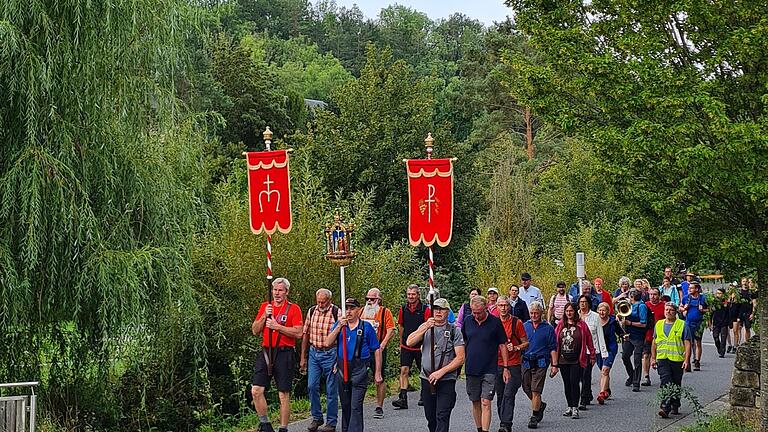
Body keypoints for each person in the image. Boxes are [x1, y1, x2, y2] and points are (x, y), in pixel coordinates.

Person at [251, 278, 304, 432]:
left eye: (280, 290)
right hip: (266, 351)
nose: (277, 293)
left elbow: (299, 332)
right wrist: (264, 316)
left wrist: (277, 327)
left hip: (284, 352)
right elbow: (255, 330)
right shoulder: (265, 307)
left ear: (286, 292)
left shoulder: (293, 309)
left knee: (283, 393)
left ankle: (283, 428)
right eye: (275, 290)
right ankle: (265, 424)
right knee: (256, 390)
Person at [407, 298, 465, 432]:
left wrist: (441, 372)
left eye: (442, 309)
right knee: (431, 417)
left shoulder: (454, 330)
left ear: (447, 311)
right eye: (436, 309)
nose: (438, 312)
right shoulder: (426, 327)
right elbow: (410, 342)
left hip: (446, 379)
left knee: (442, 415)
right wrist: (425, 327)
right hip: (426, 379)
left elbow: (460, 358)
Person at [325, 298, 382, 432]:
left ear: (358, 310)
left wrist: (377, 372)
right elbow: (327, 343)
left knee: (355, 405)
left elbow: (377, 349)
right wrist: (339, 326)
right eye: (347, 308)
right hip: (342, 368)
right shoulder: (340, 326)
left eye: (352, 308)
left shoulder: (366, 327)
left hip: (360, 368)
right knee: (345, 405)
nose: (349, 311)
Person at [461, 295, 510, 432]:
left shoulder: (495, 322)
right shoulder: (468, 321)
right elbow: (463, 342)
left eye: (479, 312)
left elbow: (502, 345)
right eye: (473, 312)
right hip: (471, 367)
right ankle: (479, 428)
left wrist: (506, 368)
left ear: (486, 308)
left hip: (489, 368)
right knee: (475, 401)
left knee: (486, 401)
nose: (476, 315)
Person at [301, 289, 340, 432]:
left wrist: (339, 359)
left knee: (331, 389)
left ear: (329, 300)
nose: (320, 304)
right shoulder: (312, 311)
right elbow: (305, 333)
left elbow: (341, 337)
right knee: (311, 386)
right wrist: (303, 356)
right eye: (318, 301)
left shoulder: (337, 312)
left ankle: (331, 422)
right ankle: (317, 417)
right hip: (314, 352)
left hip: (331, 353)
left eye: (323, 301)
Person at [552, 302, 595, 420]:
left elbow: (589, 340)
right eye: (567, 311)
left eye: (571, 311)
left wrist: (592, 355)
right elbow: (555, 342)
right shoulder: (561, 325)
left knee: (574, 381)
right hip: (563, 359)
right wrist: (553, 361)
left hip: (577, 359)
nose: (569, 313)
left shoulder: (582, 325)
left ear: (575, 312)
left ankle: (575, 407)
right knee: (567, 383)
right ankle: (569, 406)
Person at [495, 296, 529, 432]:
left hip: (513, 363)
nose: (503, 308)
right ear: (496, 307)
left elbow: (526, 343)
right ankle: (503, 420)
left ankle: (506, 424)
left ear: (510, 307)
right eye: (501, 305)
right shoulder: (493, 322)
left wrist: (516, 348)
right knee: (500, 395)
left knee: (509, 393)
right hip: (496, 363)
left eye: (506, 305)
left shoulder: (517, 323)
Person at [651, 303, 692, 418]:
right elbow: (654, 342)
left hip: (677, 359)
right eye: (666, 310)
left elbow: (687, 343)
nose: (668, 312)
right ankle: (665, 406)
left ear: (675, 312)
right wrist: (653, 358)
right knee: (666, 381)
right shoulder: (658, 324)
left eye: (671, 310)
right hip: (663, 358)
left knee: (676, 382)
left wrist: (686, 360)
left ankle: (675, 404)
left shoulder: (682, 325)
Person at [393, 284, 431, 409]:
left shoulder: (425, 309)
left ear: (418, 295)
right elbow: (401, 326)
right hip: (406, 345)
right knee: (404, 370)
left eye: (413, 294)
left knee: (424, 371)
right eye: (409, 294)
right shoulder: (403, 309)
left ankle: (425, 395)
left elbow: (428, 327)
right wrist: (401, 342)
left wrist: (425, 343)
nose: (410, 296)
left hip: (420, 346)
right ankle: (403, 397)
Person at [360, 288, 396, 418]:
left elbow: (391, 329)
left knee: (379, 377)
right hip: (363, 349)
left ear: (378, 300)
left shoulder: (385, 312)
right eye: (367, 299)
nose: (369, 301)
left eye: (372, 299)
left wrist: (382, 345)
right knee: (359, 377)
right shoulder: (361, 312)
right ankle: (357, 404)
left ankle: (379, 406)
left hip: (378, 349)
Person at [521, 301, 557, 429]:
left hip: (541, 361)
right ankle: (540, 405)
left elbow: (553, 348)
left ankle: (534, 416)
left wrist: (554, 365)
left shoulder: (548, 328)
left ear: (541, 313)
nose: (534, 315)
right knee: (526, 387)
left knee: (536, 389)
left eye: (536, 313)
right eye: (532, 313)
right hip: (526, 361)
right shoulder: (524, 326)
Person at [576, 295, 605, 409]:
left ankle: (583, 400)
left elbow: (599, 334)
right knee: (578, 376)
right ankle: (587, 393)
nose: (582, 304)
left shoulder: (595, 316)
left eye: (584, 302)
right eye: (581, 302)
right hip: (577, 350)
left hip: (589, 350)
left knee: (586, 375)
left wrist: (603, 352)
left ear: (588, 303)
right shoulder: (575, 315)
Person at [595, 302, 625, 404]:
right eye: (600, 310)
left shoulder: (612, 321)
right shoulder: (595, 321)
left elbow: (620, 332)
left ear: (608, 312)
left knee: (605, 370)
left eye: (604, 310)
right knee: (603, 371)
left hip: (610, 349)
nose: (602, 312)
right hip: (598, 349)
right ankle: (607, 390)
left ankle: (602, 394)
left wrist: (624, 336)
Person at [620, 289, 648, 392]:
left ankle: (636, 382)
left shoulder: (642, 306)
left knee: (637, 360)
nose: (629, 299)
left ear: (633, 297)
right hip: (628, 335)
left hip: (638, 336)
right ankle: (631, 375)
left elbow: (643, 323)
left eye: (630, 297)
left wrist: (630, 323)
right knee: (625, 356)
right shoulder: (630, 305)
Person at [679, 282, 709, 371]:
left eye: (691, 288)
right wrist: (684, 308)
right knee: (688, 343)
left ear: (696, 289)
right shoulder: (686, 298)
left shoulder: (703, 298)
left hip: (699, 323)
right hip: (688, 323)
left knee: (698, 342)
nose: (689, 289)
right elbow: (680, 307)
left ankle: (697, 361)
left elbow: (710, 309)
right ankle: (687, 362)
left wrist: (703, 310)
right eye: (689, 288)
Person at [641, 287, 666, 387]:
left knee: (661, 357)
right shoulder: (645, 305)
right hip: (648, 335)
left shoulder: (664, 306)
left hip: (660, 336)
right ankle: (646, 377)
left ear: (659, 296)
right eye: (651, 294)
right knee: (646, 355)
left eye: (655, 294)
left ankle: (663, 376)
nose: (652, 296)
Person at [732, 277, 757, 350]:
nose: (745, 283)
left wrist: (753, 313)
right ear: (741, 282)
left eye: (746, 281)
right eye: (743, 281)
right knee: (736, 329)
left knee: (747, 328)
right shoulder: (738, 292)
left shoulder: (751, 292)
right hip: (739, 312)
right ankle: (736, 345)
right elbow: (733, 302)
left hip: (748, 312)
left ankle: (747, 343)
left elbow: (754, 304)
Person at [709, 287, 731, 358]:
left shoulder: (727, 302)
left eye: (720, 293)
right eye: (717, 293)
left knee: (723, 338)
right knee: (716, 337)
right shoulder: (714, 302)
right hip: (716, 322)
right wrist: (709, 323)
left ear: (723, 294)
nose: (718, 295)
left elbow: (730, 313)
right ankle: (719, 348)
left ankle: (722, 351)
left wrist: (729, 322)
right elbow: (710, 313)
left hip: (724, 322)